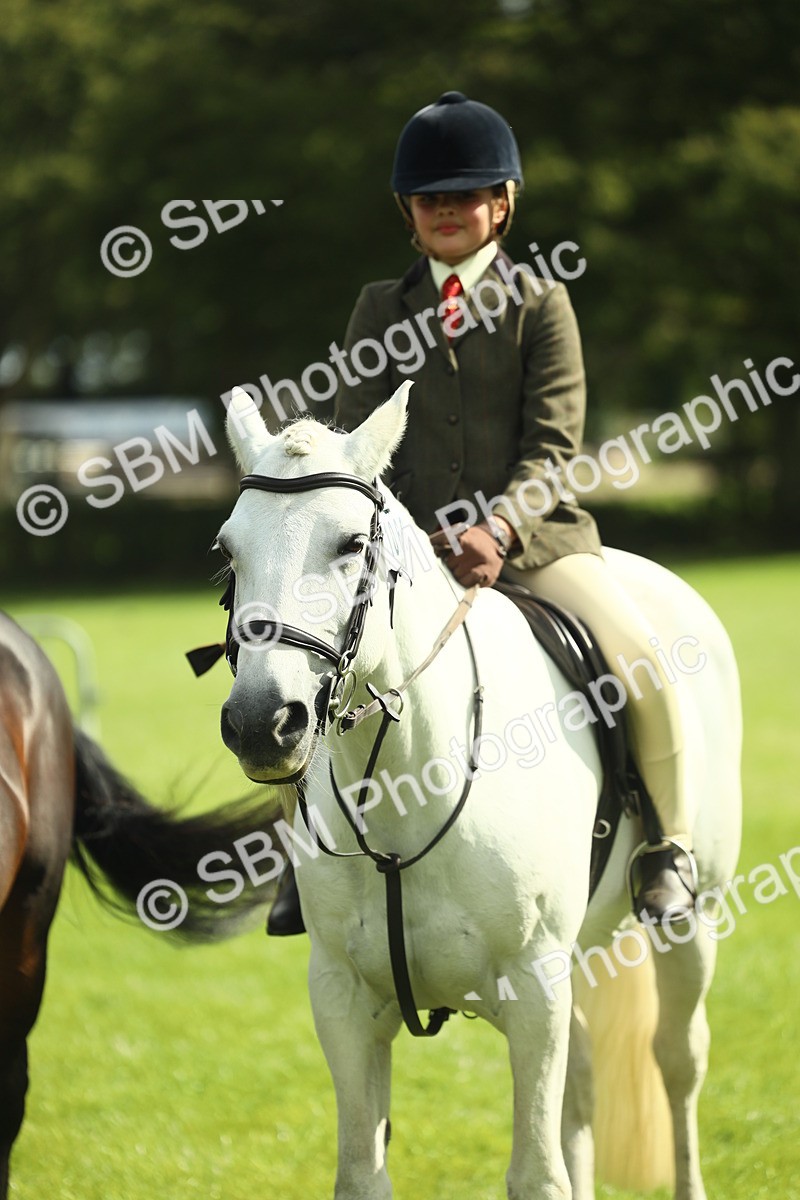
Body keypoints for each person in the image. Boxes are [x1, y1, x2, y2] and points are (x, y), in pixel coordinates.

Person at [267, 91, 697, 936]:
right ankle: (303, 851)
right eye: (429, 198)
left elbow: (554, 444)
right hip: (405, 549)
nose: (447, 210)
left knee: (641, 657)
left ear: (501, 204)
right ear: (408, 212)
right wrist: (396, 532)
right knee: (294, 657)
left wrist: (497, 527)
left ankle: (667, 846)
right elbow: (357, 441)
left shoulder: (541, 302)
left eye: (465, 196)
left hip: (535, 542)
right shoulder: (378, 308)